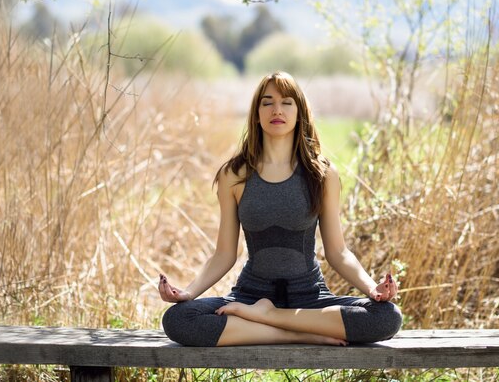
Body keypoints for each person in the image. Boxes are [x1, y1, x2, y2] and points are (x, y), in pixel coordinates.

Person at [159, 71, 402, 347]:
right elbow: (226, 253)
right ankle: (293, 331)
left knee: (386, 317)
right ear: (256, 113)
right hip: (250, 296)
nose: (277, 110)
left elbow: (337, 252)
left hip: (309, 298)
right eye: (267, 102)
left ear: (299, 111)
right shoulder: (234, 174)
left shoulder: (321, 174)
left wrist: (372, 288)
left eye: (287, 102)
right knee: (178, 319)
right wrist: (188, 293)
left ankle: (269, 317)